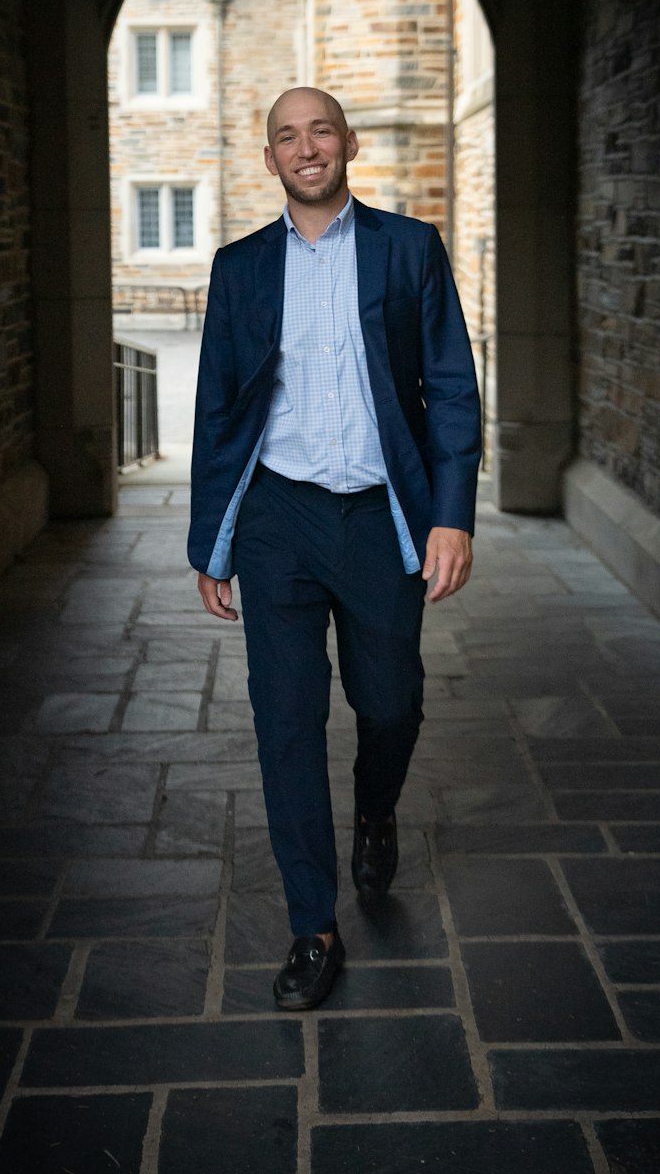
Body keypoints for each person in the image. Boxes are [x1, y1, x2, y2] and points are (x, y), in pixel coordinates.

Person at [189, 87, 480, 1009]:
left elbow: (451, 388)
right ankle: (312, 926)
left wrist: (452, 512)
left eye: (320, 130)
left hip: (379, 514)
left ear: (349, 142)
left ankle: (379, 805)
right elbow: (218, 409)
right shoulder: (239, 268)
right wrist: (214, 539)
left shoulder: (409, 248)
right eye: (287, 136)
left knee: (390, 702)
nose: (306, 147)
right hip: (279, 518)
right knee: (285, 722)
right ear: (269, 158)